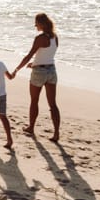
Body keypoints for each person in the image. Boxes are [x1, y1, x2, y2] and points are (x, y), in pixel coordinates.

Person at [10, 12, 60, 142]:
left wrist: (16, 69)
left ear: (41, 24)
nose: (35, 25)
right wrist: (34, 63)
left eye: (36, 23)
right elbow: (47, 55)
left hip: (39, 72)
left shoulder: (40, 38)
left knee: (34, 101)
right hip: (51, 71)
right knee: (53, 104)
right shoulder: (55, 37)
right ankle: (56, 133)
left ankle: (31, 127)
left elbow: (28, 56)